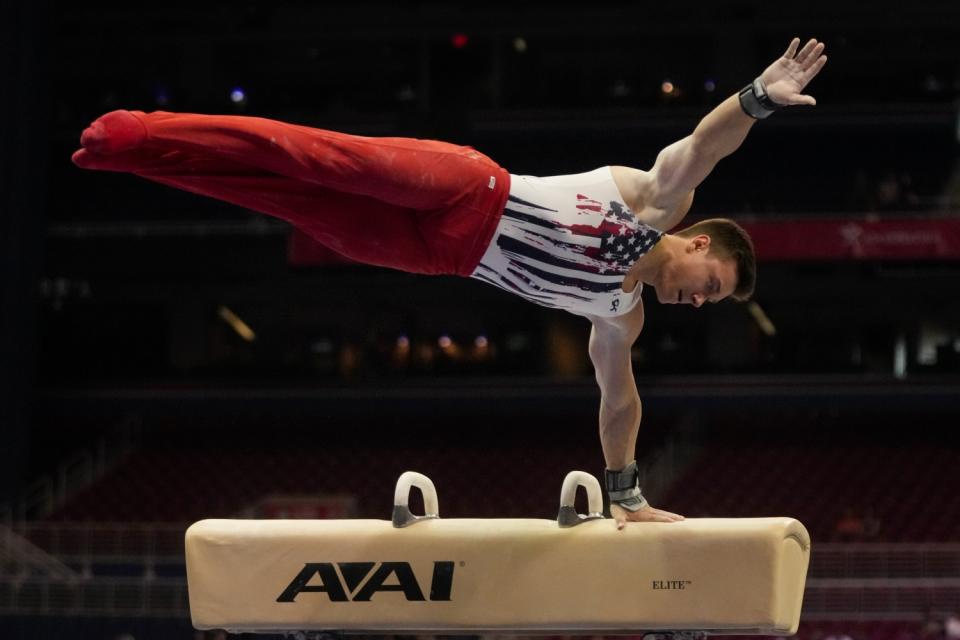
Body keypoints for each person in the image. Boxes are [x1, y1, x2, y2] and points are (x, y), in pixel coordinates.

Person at [72, 37, 827, 529]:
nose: (699, 300)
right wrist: (757, 98)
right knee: (319, 160)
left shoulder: (620, 314)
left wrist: (625, 489)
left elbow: (618, 397)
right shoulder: (654, 202)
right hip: (466, 190)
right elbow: (704, 144)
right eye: (710, 281)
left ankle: (141, 164)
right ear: (697, 242)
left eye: (711, 302)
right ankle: (145, 132)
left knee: (292, 203)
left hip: (440, 257)